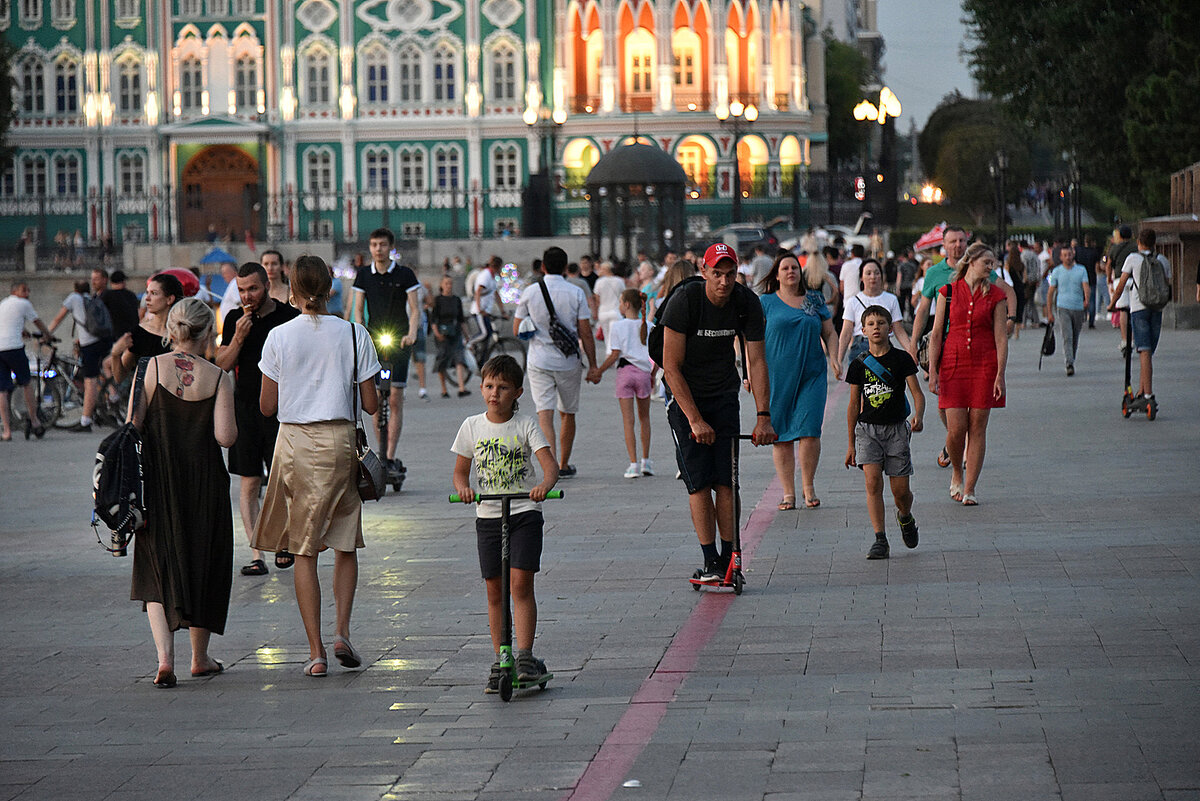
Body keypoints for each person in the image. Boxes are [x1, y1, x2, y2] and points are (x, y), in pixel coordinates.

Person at [253, 255, 381, 677]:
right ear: (330, 288)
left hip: (295, 443)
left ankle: (316, 651)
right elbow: (371, 404)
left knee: (303, 549)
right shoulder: (352, 333)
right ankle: (343, 629)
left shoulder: (278, 336)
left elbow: (267, 407)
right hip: (340, 440)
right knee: (345, 541)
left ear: (291, 290)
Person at [128, 297, 236, 688]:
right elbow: (226, 437)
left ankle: (164, 661)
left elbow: (132, 426)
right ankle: (200, 657)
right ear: (208, 331)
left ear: (171, 331)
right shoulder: (220, 377)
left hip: (159, 481)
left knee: (157, 564)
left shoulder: (149, 368)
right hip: (205, 482)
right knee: (204, 560)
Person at [661, 242, 776, 583]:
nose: (724, 282)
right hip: (685, 397)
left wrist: (763, 416)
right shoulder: (685, 302)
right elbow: (670, 367)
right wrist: (695, 419)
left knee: (726, 481)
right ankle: (710, 560)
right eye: (717, 274)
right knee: (700, 483)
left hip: (723, 392)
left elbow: (756, 360)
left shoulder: (745, 302)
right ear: (704, 272)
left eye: (730, 275)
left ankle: (730, 556)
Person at [451, 354, 559, 692]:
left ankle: (523, 655)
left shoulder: (526, 424)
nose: (494, 393)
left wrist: (543, 486)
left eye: (502, 387)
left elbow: (549, 466)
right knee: (494, 589)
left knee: (521, 584)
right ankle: (502, 656)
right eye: (488, 386)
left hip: (524, 513)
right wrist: (464, 490)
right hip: (489, 516)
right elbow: (459, 473)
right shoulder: (472, 426)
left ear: (517, 392)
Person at [215, 262, 300, 577]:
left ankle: (284, 541)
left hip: (282, 411)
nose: (247, 296)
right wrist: (237, 338)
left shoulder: (288, 318)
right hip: (245, 410)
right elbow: (220, 364)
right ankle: (256, 552)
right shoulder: (235, 318)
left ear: (267, 284)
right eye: (241, 290)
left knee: (284, 480)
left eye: (253, 288)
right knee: (248, 481)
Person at [927, 242, 1008, 506]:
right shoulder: (947, 292)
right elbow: (937, 334)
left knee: (978, 427)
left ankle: (970, 488)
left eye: (993, 263)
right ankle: (956, 472)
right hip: (952, 363)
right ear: (971, 261)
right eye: (987, 262)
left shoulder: (996, 295)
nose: (991, 267)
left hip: (985, 365)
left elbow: (1000, 337)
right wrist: (932, 370)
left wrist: (1000, 374)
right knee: (956, 429)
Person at [759, 251, 841, 510]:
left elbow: (830, 332)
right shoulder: (766, 303)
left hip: (812, 374)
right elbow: (751, 340)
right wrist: (750, 373)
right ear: (777, 274)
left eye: (795, 267)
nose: (791, 272)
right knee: (780, 434)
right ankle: (788, 493)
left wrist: (834, 358)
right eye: (785, 268)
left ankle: (808, 487)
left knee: (809, 431)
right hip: (777, 376)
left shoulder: (814, 300)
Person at [844, 305, 924, 559]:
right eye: (871, 324)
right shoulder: (859, 364)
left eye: (881, 323)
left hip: (897, 431)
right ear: (863, 330)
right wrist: (850, 445)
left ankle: (905, 516)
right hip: (867, 431)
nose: (876, 327)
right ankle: (880, 538)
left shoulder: (901, 360)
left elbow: (917, 393)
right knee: (872, 483)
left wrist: (918, 415)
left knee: (900, 491)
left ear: (890, 329)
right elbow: (853, 404)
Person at [512, 246, 601, 478]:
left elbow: (516, 328)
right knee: (568, 413)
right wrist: (593, 365)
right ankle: (563, 463)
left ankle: (548, 466)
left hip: (539, 360)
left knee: (545, 414)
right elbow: (585, 332)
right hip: (568, 362)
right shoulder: (575, 292)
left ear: (542, 266)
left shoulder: (530, 292)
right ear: (565, 267)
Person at [351, 227, 420, 480]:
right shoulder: (363, 276)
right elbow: (358, 310)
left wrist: (412, 333)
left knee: (394, 398)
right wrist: (361, 334)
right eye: (373, 244)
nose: (377, 249)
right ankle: (378, 456)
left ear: (391, 247)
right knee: (377, 401)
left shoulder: (404, 274)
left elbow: (414, 308)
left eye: (382, 244)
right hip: (374, 342)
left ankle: (390, 454)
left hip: (400, 341)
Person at [596, 289, 654, 478]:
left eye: (621, 302)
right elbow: (657, 356)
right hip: (644, 374)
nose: (620, 305)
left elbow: (614, 354)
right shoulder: (649, 325)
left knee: (628, 421)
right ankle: (646, 461)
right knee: (644, 418)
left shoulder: (617, 326)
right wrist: (652, 374)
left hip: (625, 373)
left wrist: (598, 371)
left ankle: (633, 464)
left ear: (627, 304)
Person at [1109, 228, 1171, 405]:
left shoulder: (1133, 259)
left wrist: (1112, 304)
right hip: (1157, 308)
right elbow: (1167, 284)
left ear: (1138, 243)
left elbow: (1121, 285)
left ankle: (1148, 395)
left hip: (1139, 307)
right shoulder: (1163, 260)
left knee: (1144, 350)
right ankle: (1142, 390)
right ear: (1154, 243)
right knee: (1148, 351)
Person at [47, 271, 113, 432]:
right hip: (103, 339)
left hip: (90, 344)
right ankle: (114, 396)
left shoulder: (74, 298)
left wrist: (46, 335)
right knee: (100, 373)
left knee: (90, 381)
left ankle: (85, 421)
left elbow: (58, 319)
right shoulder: (90, 298)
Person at [1, 280, 53, 440]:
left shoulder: (3, 303)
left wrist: (22, 330)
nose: (27, 293)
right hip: (14, 348)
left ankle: (7, 431)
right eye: (24, 290)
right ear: (15, 291)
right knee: (26, 383)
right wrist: (48, 335)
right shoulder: (24, 303)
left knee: (2, 390)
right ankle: (35, 421)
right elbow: (38, 322)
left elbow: (7, 323)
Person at [111, 272, 184, 384]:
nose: (147, 298)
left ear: (169, 299)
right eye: (147, 293)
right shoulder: (139, 332)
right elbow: (119, 377)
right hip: (146, 397)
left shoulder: (182, 332)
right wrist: (115, 354)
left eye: (154, 293)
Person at [837, 259, 910, 366]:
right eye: (868, 273)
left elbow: (898, 329)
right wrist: (839, 360)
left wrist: (911, 350)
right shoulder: (853, 301)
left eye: (876, 273)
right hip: (860, 348)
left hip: (885, 348)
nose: (873, 277)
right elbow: (846, 332)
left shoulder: (891, 299)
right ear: (861, 277)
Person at [1046, 245, 1090, 376]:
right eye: (1064, 255)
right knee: (1067, 336)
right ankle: (1069, 362)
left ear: (1073, 255)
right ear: (1060, 257)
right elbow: (1051, 292)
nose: (1067, 257)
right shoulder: (1057, 271)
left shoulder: (1081, 270)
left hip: (1077, 307)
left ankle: (1072, 358)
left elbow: (1086, 286)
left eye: (1069, 255)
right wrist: (1049, 312)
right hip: (1062, 307)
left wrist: (1086, 300)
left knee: (1075, 336)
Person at [430, 275, 471, 398]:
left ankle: (461, 387)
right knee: (442, 360)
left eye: (450, 283)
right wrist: (437, 333)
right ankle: (444, 389)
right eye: (446, 283)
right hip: (442, 334)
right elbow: (433, 320)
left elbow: (461, 319)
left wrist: (466, 334)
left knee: (459, 359)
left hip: (455, 332)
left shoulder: (456, 300)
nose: (449, 286)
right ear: (442, 285)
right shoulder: (438, 300)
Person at [1107, 225, 1137, 352]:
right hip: (1134, 279)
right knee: (1134, 310)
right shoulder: (1135, 247)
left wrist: (1109, 278)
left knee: (1123, 311)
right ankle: (1133, 340)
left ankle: (1125, 340)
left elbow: (1109, 264)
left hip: (1120, 280)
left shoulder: (1114, 248)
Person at [470, 256, 502, 346]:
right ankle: (468, 344)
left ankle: (482, 357)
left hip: (486, 311)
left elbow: (496, 294)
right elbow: (478, 291)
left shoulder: (493, 277)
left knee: (489, 333)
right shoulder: (486, 275)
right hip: (479, 311)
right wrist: (479, 309)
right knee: (484, 333)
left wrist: (503, 311)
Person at [102, 270, 141, 342]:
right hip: (132, 334)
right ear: (123, 282)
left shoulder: (106, 296)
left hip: (114, 335)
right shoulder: (131, 295)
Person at [593, 260, 625, 345]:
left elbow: (597, 299)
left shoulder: (599, 282)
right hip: (616, 311)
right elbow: (623, 296)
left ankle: (608, 354)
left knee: (607, 338)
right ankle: (613, 355)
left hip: (603, 312)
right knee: (615, 339)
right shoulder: (619, 281)